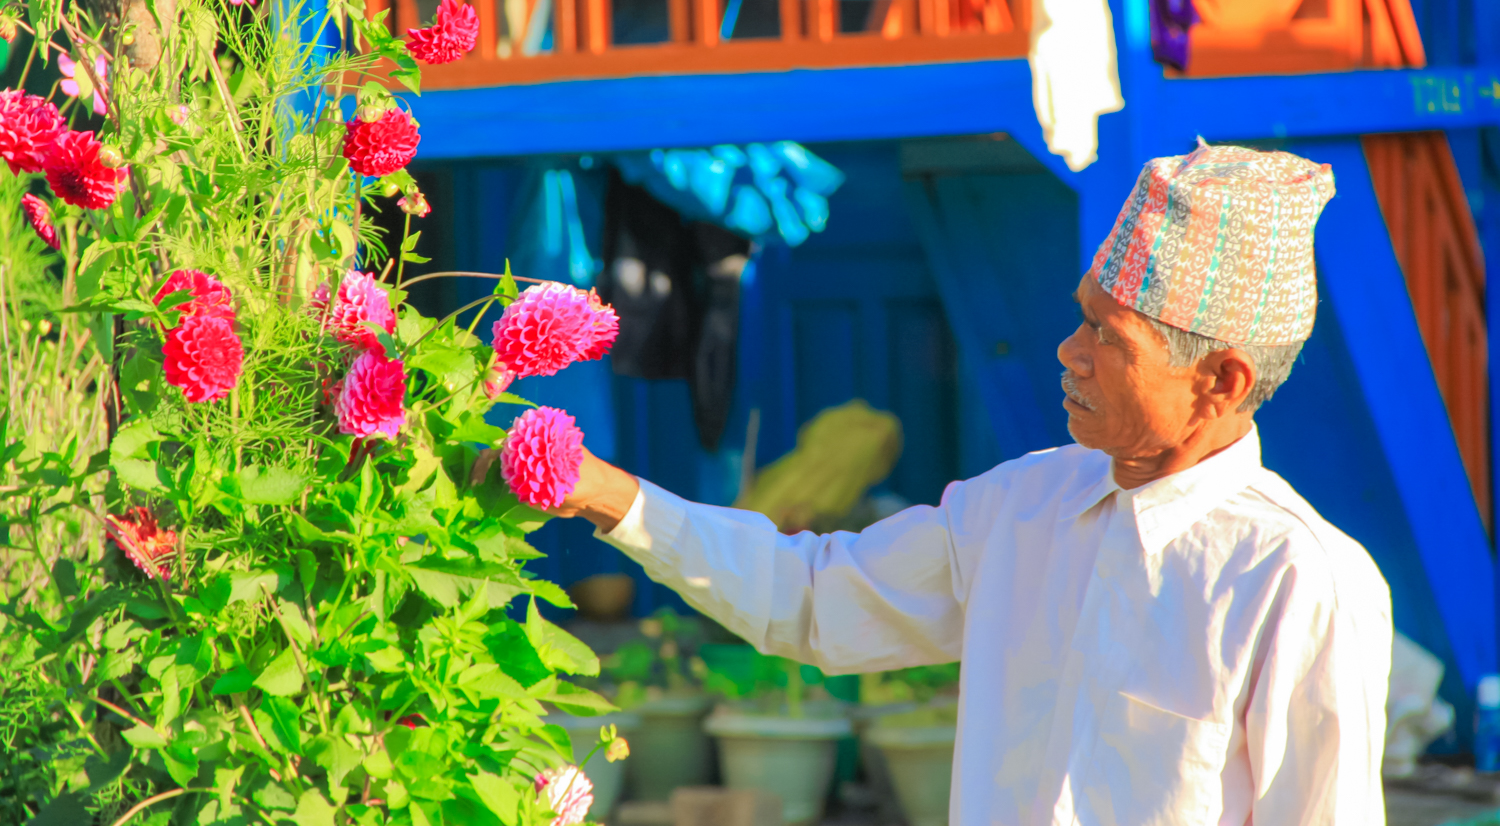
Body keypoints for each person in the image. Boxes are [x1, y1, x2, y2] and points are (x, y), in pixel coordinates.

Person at [551, 142, 1393, 825]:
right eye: (1080, 317)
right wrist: (606, 495)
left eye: (1109, 337)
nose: (1068, 351)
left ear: (1223, 381)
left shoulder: (1298, 580)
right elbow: (811, 598)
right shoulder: (1025, 507)